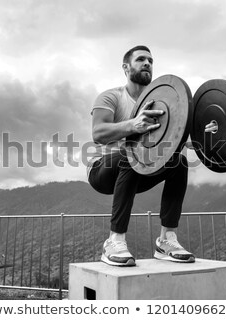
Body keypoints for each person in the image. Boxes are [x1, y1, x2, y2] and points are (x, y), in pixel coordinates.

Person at [87, 45, 196, 267]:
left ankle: (166, 240)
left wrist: (208, 133)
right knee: (130, 155)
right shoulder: (111, 97)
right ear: (126, 67)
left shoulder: (162, 103)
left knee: (179, 161)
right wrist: (133, 125)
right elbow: (98, 133)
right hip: (102, 169)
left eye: (151, 61)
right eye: (141, 60)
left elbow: (172, 138)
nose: (147, 63)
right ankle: (114, 241)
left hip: (138, 168)